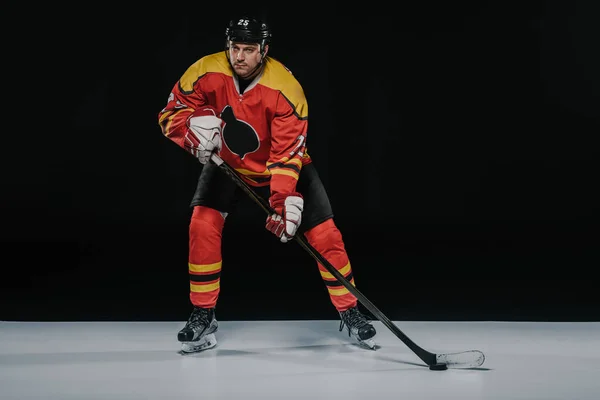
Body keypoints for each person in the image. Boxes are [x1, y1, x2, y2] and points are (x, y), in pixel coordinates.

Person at [157, 15, 377, 354]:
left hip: (283, 168)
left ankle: (350, 310)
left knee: (325, 234)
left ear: (264, 50)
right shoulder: (204, 70)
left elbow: (287, 155)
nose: (240, 57)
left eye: (249, 49)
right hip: (228, 165)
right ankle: (203, 311)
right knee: (202, 225)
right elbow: (171, 112)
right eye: (235, 48)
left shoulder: (287, 90)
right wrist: (190, 134)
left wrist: (281, 202)